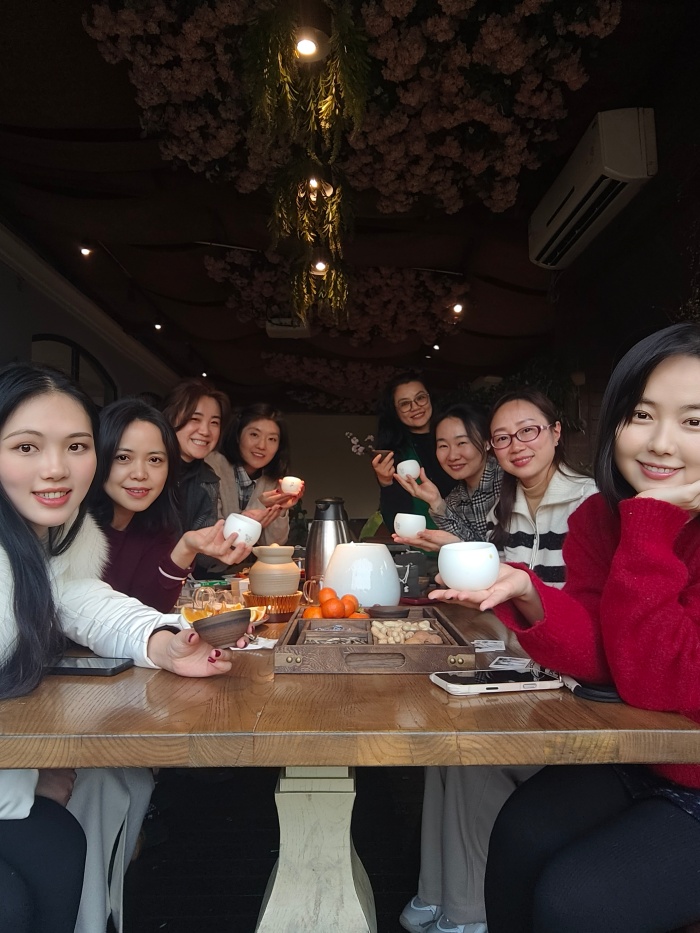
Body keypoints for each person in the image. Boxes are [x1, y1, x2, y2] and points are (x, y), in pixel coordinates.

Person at [433, 322, 700, 933]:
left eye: (694, 421)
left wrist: (650, 527)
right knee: (518, 835)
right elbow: (612, 655)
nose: (661, 443)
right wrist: (530, 595)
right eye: (642, 414)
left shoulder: (633, 517)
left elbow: (665, 680)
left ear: (557, 433)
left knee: (576, 900)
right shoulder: (600, 518)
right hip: (643, 759)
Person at [0, 362, 244, 933]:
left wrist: (163, 643)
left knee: (59, 846)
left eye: (75, 446)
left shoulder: (55, 542)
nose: (56, 468)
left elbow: (89, 601)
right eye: (27, 446)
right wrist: (25, 781)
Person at [400, 388, 596, 933]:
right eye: (504, 437)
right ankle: (437, 889)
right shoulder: (499, 508)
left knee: (473, 752)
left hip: (573, 680)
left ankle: (470, 913)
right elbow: (495, 588)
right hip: (523, 666)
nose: (516, 445)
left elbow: (581, 609)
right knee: (441, 746)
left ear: (556, 432)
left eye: (528, 431)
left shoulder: (590, 502)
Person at [91, 398, 251, 613]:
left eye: (154, 460)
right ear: (98, 458)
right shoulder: (72, 529)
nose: (140, 474)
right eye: (123, 457)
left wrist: (186, 548)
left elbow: (151, 610)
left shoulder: (156, 525)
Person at [392, 402, 502, 551]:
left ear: (486, 443)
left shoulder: (509, 484)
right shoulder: (455, 499)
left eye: (461, 442)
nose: (452, 456)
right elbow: (474, 544)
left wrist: (458, 545)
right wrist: (436, 502)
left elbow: (505, 552)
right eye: (443, 446)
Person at [207, 402, 304, 547]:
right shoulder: (213, 466)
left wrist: (280, 507)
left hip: (244, 561)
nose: (262, 446)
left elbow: (272, 544)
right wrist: (261, 505)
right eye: (254, 434)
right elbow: (213, 537)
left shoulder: (272, 481)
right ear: (238, 435)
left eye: (272, 439)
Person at [372, 372, 455, 535]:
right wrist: (386, 483)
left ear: (430, 398)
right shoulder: (395, 453)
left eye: (420, 398)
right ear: (395, 411)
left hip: (469, 538)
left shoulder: (455, 437)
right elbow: (395, 520)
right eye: (404, 404)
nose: (415, 407)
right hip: (423, 541)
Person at [161, 377, 230, 532]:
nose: (205, 431)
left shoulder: (208, 481)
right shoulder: (148, 469)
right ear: (170, 417)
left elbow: (203, 538)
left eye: (214, 422)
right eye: (194, 419)